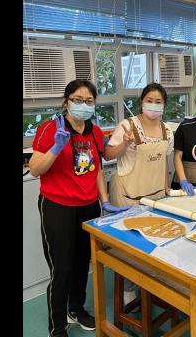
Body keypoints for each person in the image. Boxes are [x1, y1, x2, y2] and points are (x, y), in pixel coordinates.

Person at [29, 80, 126, 337]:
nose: (84, 105)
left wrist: (104, 200)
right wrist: (55, 148)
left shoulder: (95, 132)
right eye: (78, 100)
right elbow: (35, 169)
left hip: (88, 207)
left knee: (83, 263)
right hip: (57, 207)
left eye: (89, 101)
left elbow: (97, 169)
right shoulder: (50, 129)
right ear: (66, 102)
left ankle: (76, 309)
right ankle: (57, 326)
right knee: (61, 268)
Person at [104, 82, 174, 306]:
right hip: (128, 196)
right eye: (149, 100)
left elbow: (163, 162)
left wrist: (166, 188)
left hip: (155, 195)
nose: (153, 105)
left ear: (164, 105)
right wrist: (124, 144)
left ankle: (151, 286)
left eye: (158, 101)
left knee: (154, 243)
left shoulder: (167, 130)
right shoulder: (127, 125)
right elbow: (108, 154)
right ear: (141, 102)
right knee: (129, 247)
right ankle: (128, 288)